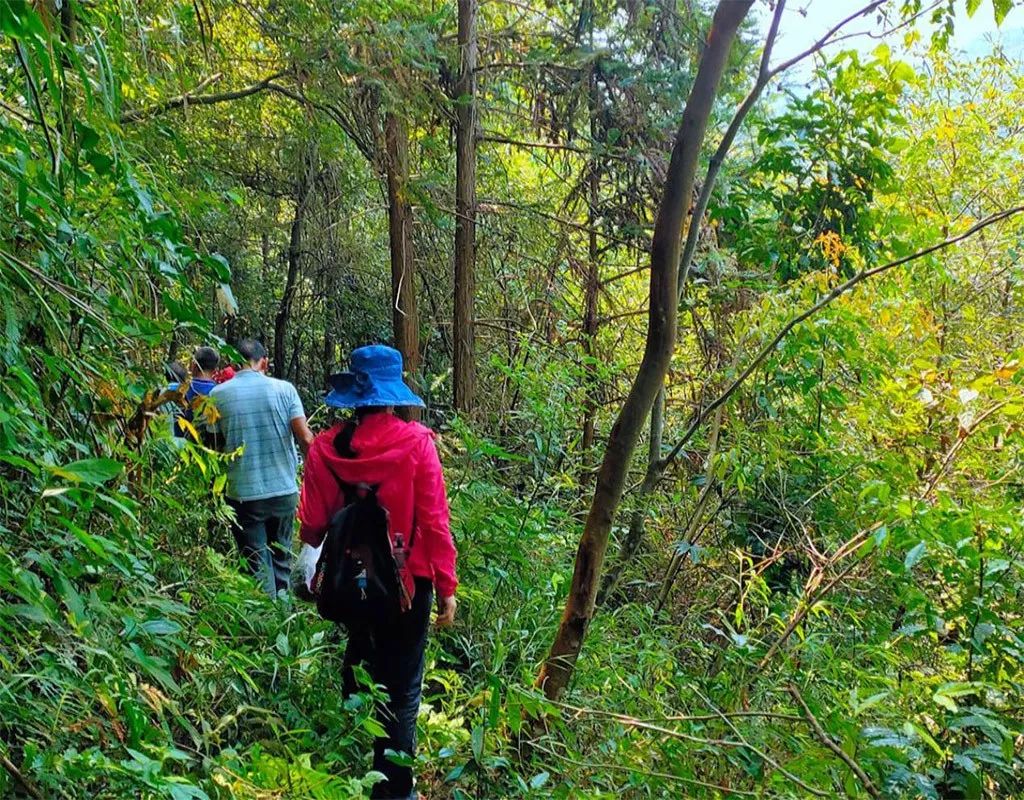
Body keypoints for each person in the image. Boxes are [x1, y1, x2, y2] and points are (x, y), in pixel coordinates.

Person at [297, 344, 458, 800]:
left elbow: (312, 523)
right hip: (408, 586)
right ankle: (394, 791)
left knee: (367, 653)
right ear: (393, 394)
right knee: (403, 690)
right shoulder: (415, 444)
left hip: (352, 581)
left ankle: (359, 738)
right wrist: (446, 586)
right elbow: (434, 520)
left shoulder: (327, 448)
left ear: (354, 393)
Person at [209, 338, 314, 598]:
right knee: (281, 558)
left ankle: (265, 623)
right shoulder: (285, 390)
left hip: (243, 493)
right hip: (283, 491)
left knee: (256, 563)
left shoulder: (217, 395)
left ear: (233, 363)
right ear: (263, 362)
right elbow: (305, 439)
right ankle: (283, 616)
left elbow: (213, 445)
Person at [174, 346, 220, 440]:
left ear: (194, 365)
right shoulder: (219, 392)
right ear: (215, 370)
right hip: (208, 448)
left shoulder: (180, 390)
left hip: (180, 445)